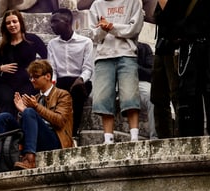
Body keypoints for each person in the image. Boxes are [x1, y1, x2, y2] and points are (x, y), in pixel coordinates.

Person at [157, 0, 210, 137]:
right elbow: (165, 22)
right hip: (189, 49)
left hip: (209, 48)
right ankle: (192, 132)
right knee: (190, 92)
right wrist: (180, 36)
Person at [0, 59, 73, 173]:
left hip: (56, 140)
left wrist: (35, 108)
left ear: (48, 76)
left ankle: (29, 159)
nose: (32, 80)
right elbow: (27, 128)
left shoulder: (63, 95)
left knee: (29, 112)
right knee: (4, 117)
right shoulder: (36, 98)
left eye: (36, 77)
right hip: (37, 140)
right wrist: (23, 111)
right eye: (31, 77)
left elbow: (60, 121)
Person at [88, 0, 143, 143]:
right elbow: (94, 35)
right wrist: (104, 29)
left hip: (127, 53)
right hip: (104, 55)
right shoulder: (96, 5)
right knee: (103, 98)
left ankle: (134, 137)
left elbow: (135, 28)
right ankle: (108, 139)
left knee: (130, 96)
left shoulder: (133, 2)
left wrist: (111, 26)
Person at [47, 8, 94, 139]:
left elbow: (88, 69)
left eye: (55, 21)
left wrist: (81, 79)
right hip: (61, 80)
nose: (52, 25)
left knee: (77, 92)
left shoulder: (86, 42)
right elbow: (53, 69)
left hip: (80, 81)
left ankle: (73, 134)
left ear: (67, 22)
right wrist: (53, 85)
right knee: (55, 94)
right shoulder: (52, 44)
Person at [0, 10, 47, 116]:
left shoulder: (32, 39)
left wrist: (37, 70)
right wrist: (1, 68)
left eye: (14, 21)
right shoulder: (1, 45)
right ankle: (8, 130)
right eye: (8, 23)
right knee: (6, 99)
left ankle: (24, 128)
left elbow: (46, 57)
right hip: (6, 83)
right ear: (5, 26)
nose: (12, 25)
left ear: (20, 22)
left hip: (27, 81)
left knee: (23, 99)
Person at [151, 0, 179, 138]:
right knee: (158, 96)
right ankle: (163, 136)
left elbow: (172, 13)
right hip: (161, 47)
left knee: (176, 94)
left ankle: (181, 135)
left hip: (176, 47)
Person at [137, 43, 157, 139]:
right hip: (119, 83)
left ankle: (154, 137)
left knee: (152, 97)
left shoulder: (144, 47)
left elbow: (150, 71)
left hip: (140, 81)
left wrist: (133, 67)